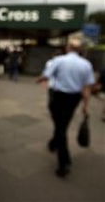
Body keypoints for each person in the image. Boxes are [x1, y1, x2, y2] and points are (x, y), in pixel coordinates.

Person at [36, 38, 95, 178]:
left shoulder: (59, 60)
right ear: (80, 49)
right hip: (74, 99)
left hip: (58, 97)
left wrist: (39, 79)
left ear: (68, 47)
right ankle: (53, 143)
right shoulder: (86, 65)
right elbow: (87, 88)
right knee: (63, 124)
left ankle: (64, 163)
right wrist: (86, 107)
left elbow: (45, 76)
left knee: (61, 127)